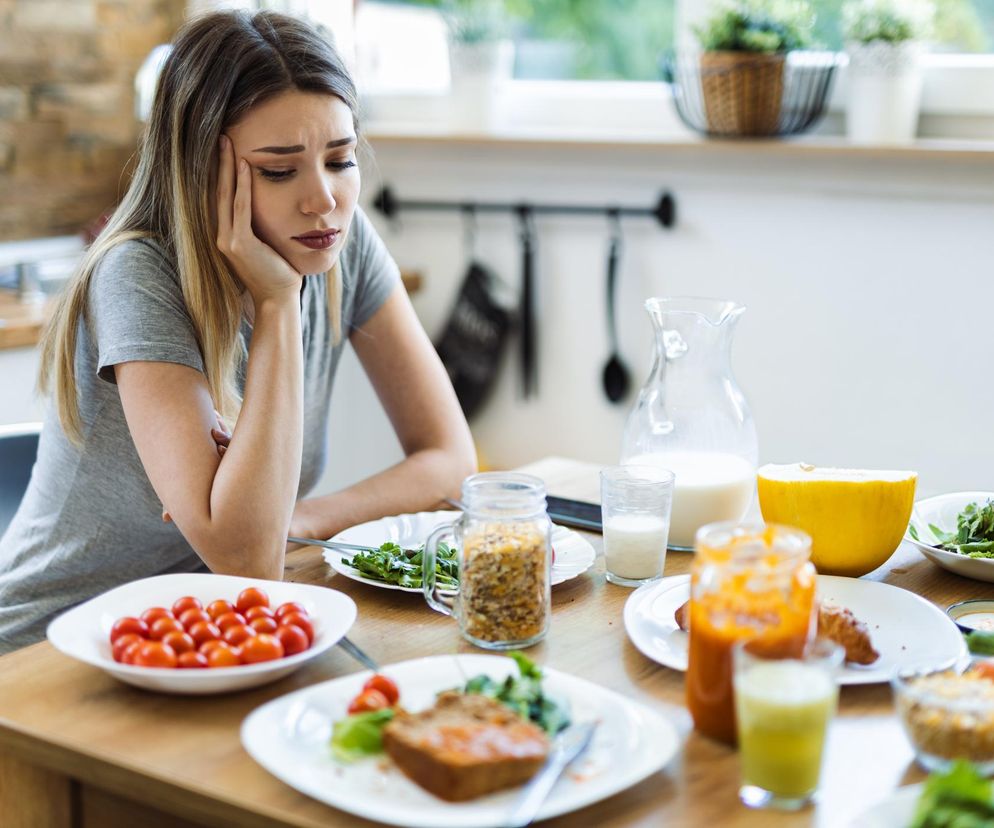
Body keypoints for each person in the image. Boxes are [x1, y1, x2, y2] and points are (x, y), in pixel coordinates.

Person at [0, 10, 476, 654]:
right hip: (51, 651)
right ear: (202, 169)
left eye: (340, 159)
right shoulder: (138, 273)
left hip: (212, 630)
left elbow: (450, 460)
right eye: (278, 171)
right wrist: (279, 304)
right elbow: (249, 562)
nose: (323, 199)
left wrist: (299, 518)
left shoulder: (342, 242)